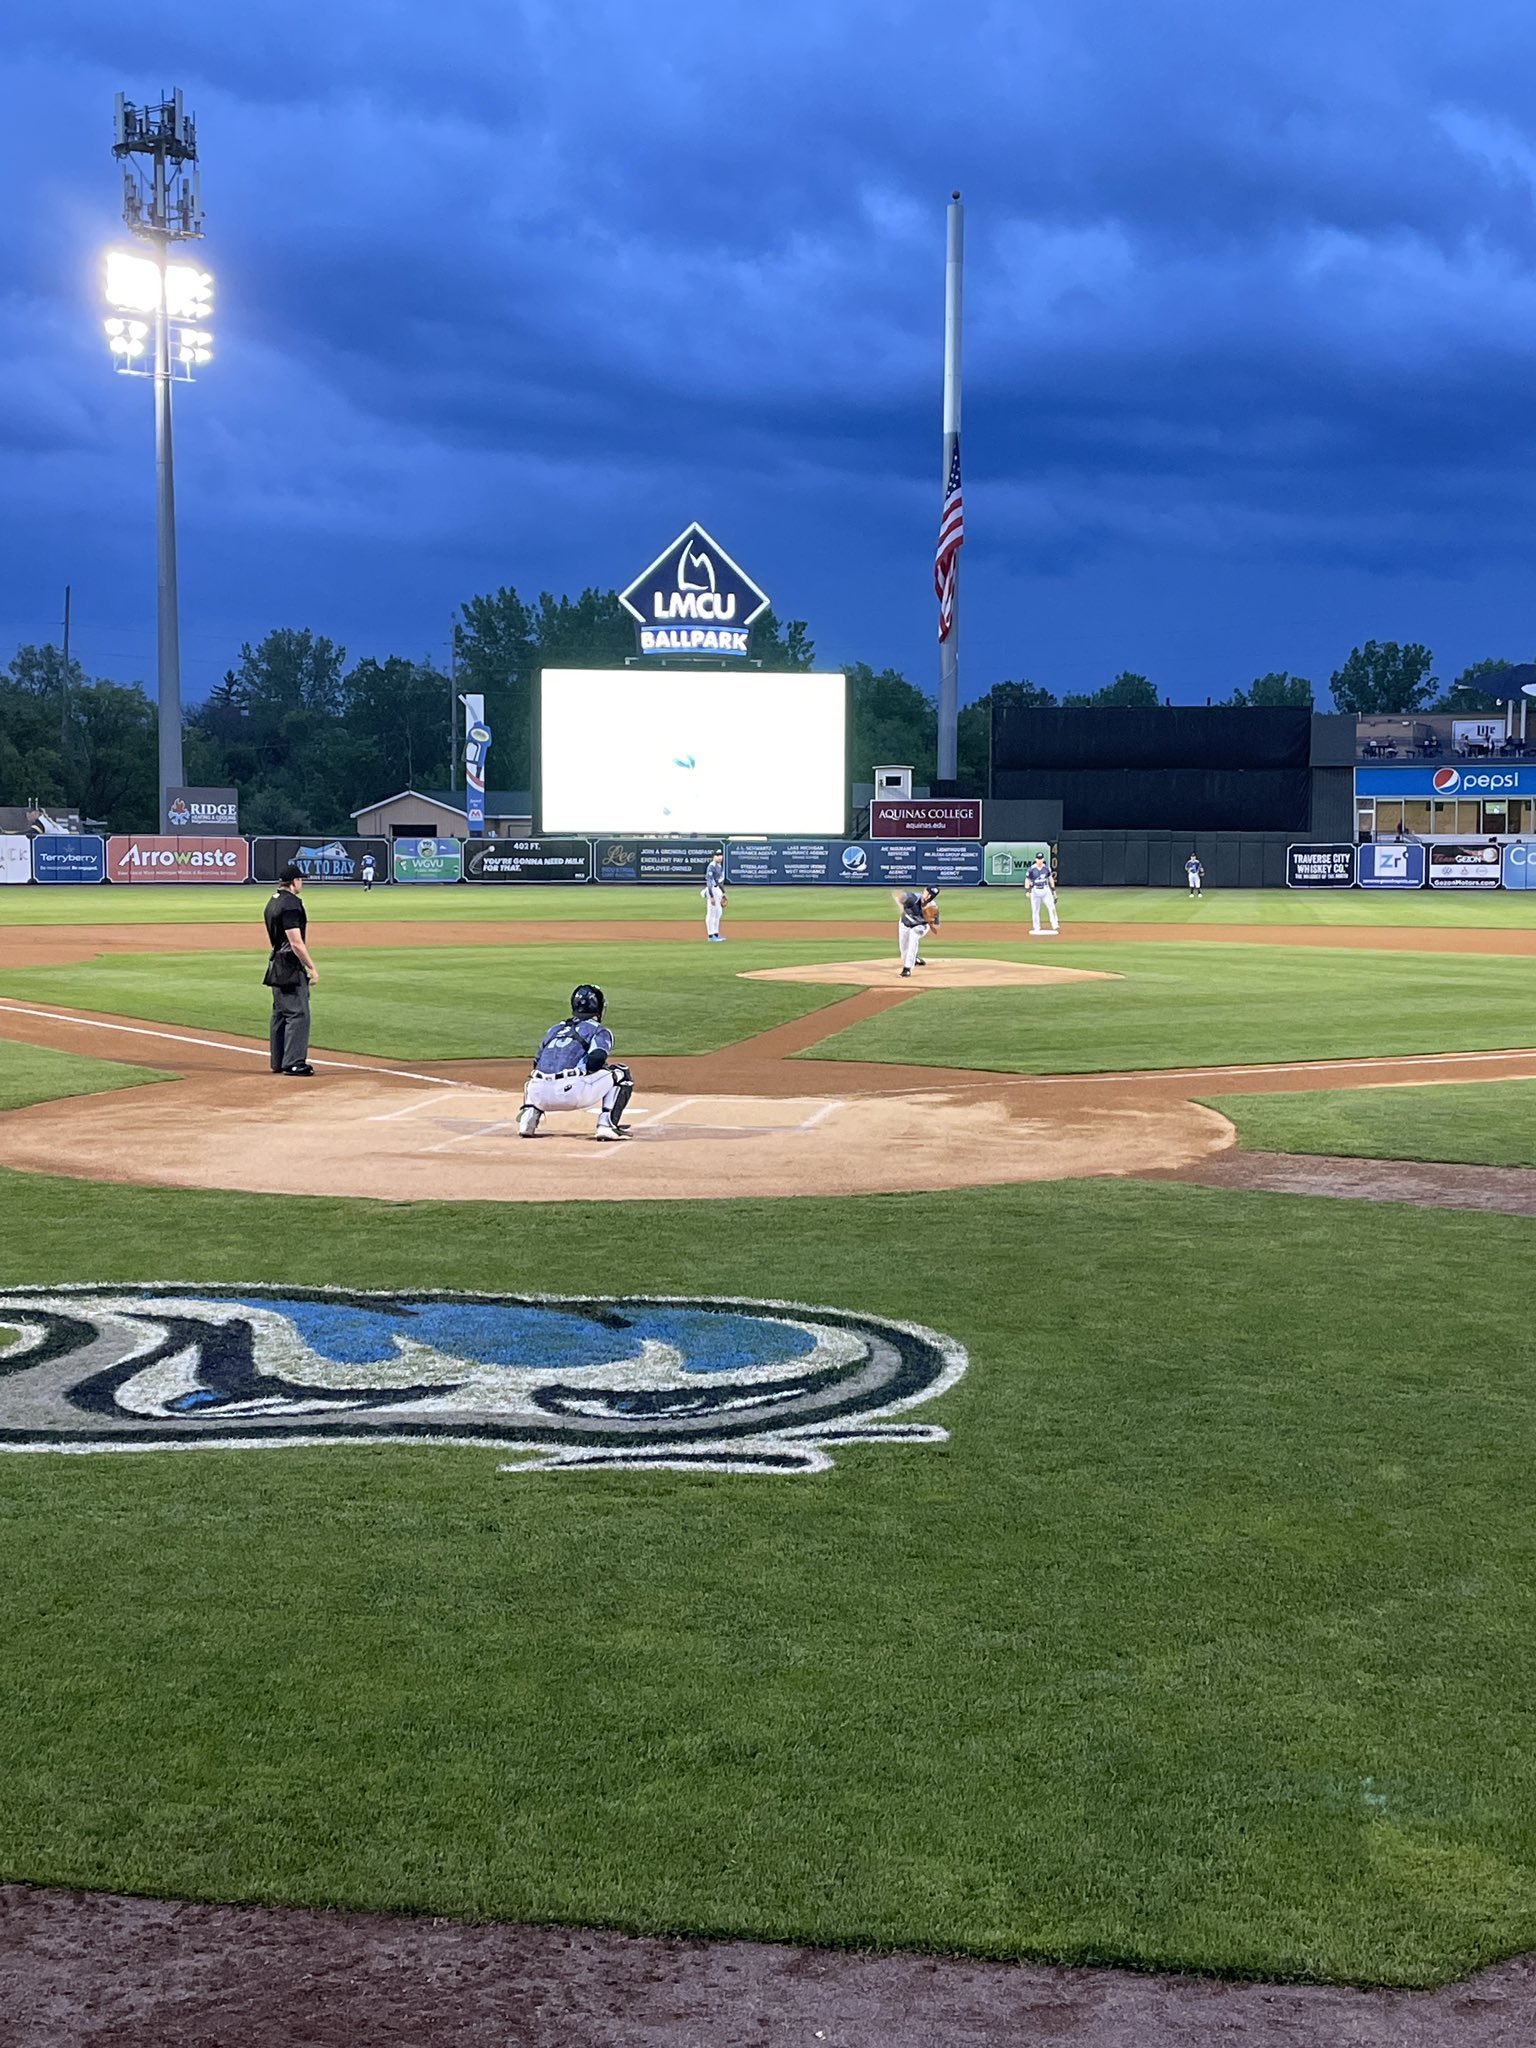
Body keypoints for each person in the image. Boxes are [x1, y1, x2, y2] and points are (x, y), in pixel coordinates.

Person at [518, 984, 635, 1142]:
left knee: (534, 1078)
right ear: (599, 1007)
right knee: (621, 1073)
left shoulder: (555, 1029)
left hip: (538, 1095)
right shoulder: (599, 1030)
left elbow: (536, 1062)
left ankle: (527, 1120)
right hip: (572, 1094)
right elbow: (596, 1059)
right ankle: (607, 1126)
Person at [263, 864, 319, 1076]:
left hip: (275, 962)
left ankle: (279, 1061)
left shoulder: (273, 901)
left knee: (280, 1014)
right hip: (289, 965)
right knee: (298, 1014)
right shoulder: (291, 904)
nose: (302, 882)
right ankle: (294, 1062)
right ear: (294, 881)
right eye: (300, 879)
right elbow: (295, 942)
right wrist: (311, 967)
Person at [893, 886, 939, 977]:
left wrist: (930, 921)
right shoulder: (913, 898)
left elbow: (936, 928)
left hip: (921, 926)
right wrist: (901, 908)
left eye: (932, 895)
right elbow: (896, 894)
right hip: (904, 923)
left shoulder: (933, 907)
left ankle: (907, 969)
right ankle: (914, 960)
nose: (929, 895)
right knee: (903, 948)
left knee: (913, 939)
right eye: (928, 892)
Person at [1025, 855, 1058, 935]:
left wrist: (1053, 890)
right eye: (1038, 859)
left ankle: (1055, 924)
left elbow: (1050, 879)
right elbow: (1027, 880)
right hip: (1035, 890)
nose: (1039, 860)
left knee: (1052, 907)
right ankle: (1036, 927)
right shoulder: (1031, 869)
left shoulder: (1047, 868)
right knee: (1035, 910)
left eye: (1041, 859)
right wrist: (1027, 890)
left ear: (1043, 859)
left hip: (1045, 890)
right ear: (1035, 859)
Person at [702, 849, 727, 941]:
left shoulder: (720, 866)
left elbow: (720, 882)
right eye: (717, 855)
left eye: (720, 855)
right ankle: (710, 935)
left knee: (718, 913)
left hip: (718, 890)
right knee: (711, 913)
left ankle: (716, 934)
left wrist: (723, 893)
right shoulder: (711, 866)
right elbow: (709, 882)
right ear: (714, 857)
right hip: (712, 889)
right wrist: (711, 896)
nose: (719, 857)